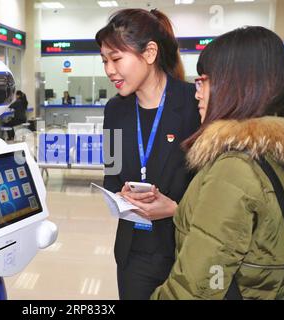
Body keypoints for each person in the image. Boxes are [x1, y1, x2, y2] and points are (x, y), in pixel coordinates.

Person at [146, 26, 284, 299]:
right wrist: (180, 211)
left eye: (204, 81)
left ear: (236, 84)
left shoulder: (234, 168)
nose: (197, 93)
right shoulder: (276, 153)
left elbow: (196, 287)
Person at [96, 8, 201, 299]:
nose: (109, 70)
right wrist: (123, 195)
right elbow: (111, 173)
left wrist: (175, 209)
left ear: (150, 53)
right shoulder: (115, 111)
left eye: (116, 59)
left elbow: (209, 188)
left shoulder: (193, 105)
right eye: (104, 60)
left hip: (185, 250)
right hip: (134, 254)